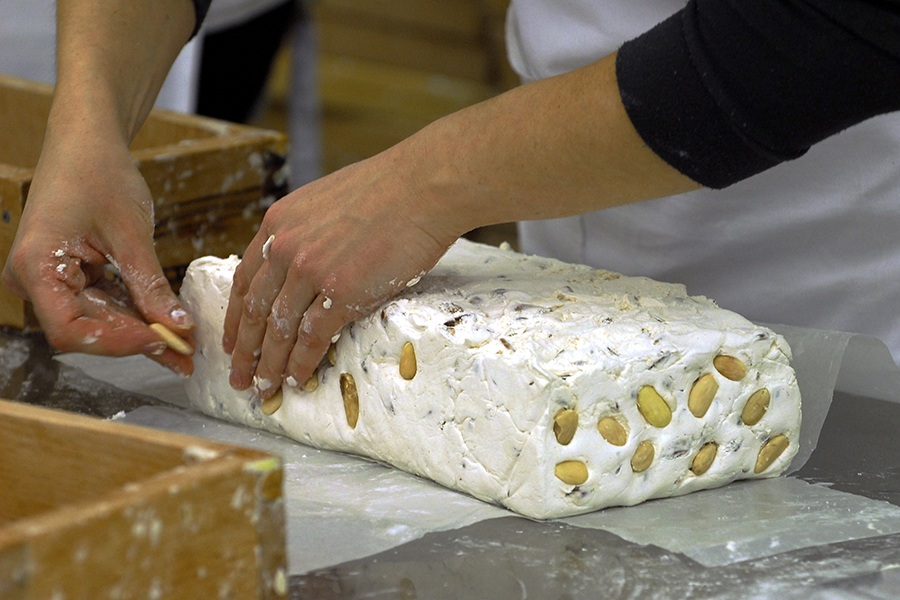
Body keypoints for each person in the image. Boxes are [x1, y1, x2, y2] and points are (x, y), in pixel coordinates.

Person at [2, 0, 898, 404]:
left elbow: (840, 24)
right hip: (579, 302)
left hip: (851, 289)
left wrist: (427, 184)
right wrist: (88, 123)